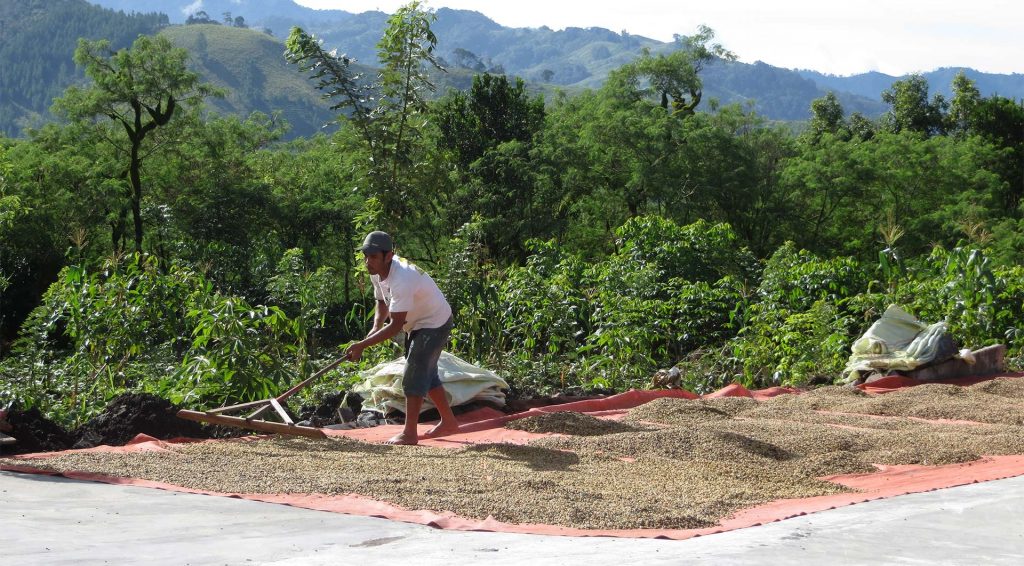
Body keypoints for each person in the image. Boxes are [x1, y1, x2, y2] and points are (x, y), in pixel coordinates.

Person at [344, 231, 460, 445]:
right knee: (427, 372)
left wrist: (361, 345)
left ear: (389, 256)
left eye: (373, 257)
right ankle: (449, 422)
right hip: (417, 324)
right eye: (366, 256)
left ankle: (409, 433)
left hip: (434, 322)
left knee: (413, 374)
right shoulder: (376, 270)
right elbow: (381, 300)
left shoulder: (402, 278)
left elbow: (396, 325)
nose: (368, 262)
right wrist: (375, 325)